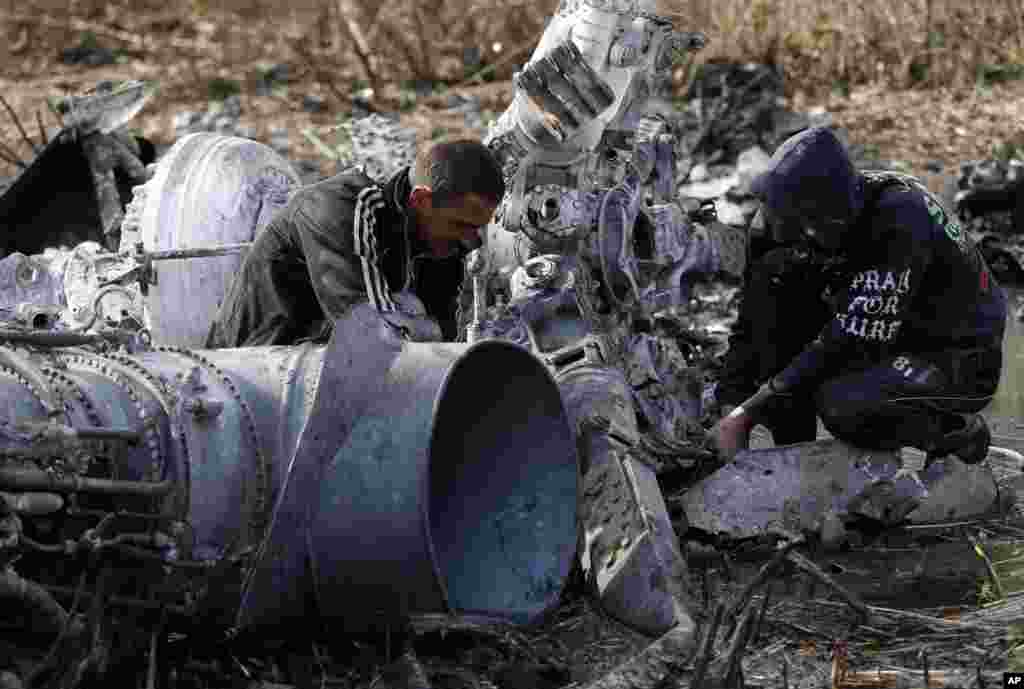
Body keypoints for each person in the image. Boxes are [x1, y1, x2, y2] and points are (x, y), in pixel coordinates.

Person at [712, 126, 1006, 464]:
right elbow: (751, 324)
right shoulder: (773, 230)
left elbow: (849, 339)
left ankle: (955, 431)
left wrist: (750, 410)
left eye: (810, 224)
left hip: (956, 352)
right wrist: (729, 408)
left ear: (831, 213)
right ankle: (792, 456)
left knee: (844, 403)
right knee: (777, 315)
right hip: (880, 332)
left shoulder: (898, 217)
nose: (793, 233)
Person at [205, 139, 505, 348]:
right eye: (461, 225)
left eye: (477, 228)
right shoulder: (341, 209)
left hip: (321, 374)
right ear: (422, 200)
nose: (470, 241)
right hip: (251, 371)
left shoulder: (441, 239)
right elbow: (374, 335)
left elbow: (443, 334)